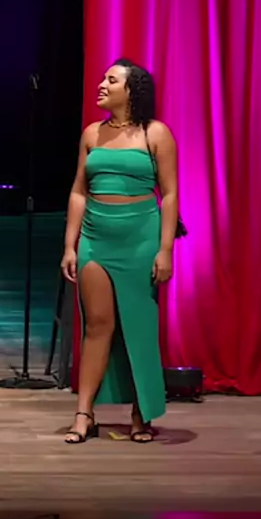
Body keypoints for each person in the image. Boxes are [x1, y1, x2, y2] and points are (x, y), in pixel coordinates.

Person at [61, 58, 178, 443]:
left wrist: (165, 250)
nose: (101, 84)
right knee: (97, 325)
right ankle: (84, 413)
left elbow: (170, 194)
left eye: (111, 80)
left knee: (139, 326)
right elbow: (78, 192)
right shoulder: (91, 134)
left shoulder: (155, 133)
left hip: (140, 239)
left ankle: (141, 413)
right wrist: (70, 245)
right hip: (96, 237)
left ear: (131, 90)